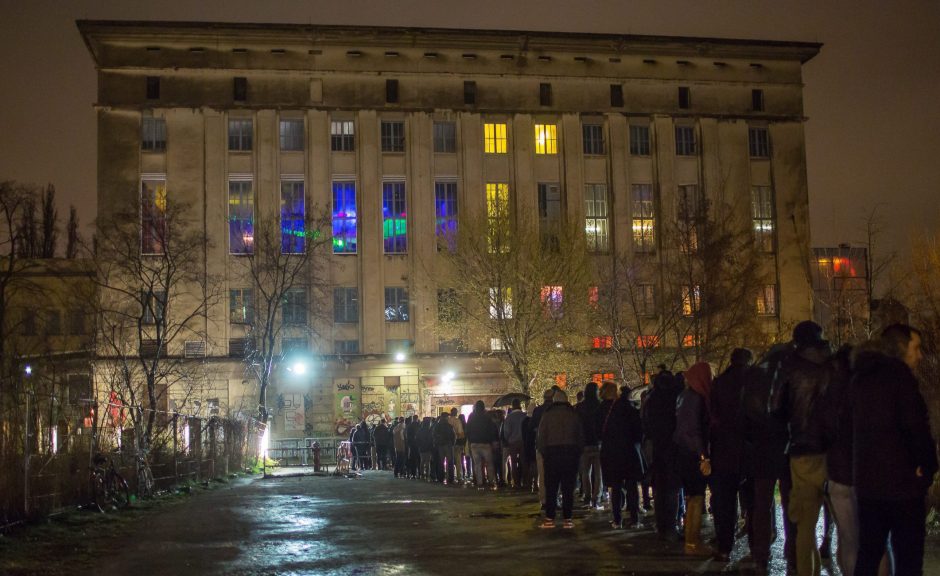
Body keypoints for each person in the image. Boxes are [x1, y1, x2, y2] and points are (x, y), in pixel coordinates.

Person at [853, 324, 937, 576]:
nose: (919, 355)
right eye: (916, 348)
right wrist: (929, 466)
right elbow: (916, 429)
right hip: (903, 486)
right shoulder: (901, 380)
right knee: (908, 558)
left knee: (868, 553)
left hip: (868, 484)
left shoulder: (860, 378)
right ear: (902, 348)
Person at [769, 320, 832, 576]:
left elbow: (774, 408)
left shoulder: (788, 367)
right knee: (846, 523)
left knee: (805, 525)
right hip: (834, 453)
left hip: (802, 451)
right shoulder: (834, 364)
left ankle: (808, 572)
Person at [742, 344, 793, 574]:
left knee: (762, 504)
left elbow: (745, 417)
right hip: (785, 447)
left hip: (762, 449)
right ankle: (791, 551)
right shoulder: (790, 374)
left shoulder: (755, 377)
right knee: (790, 503)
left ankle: (761, 552)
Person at [709, 348, 753, 561]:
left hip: (724, 449)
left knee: (724, 503)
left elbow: (713, 417)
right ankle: (757, 549)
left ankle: (724, 546)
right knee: (754, 502)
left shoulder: (719, 383)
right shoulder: (755, 382)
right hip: (750, 450)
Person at [673, 362, 712, 556]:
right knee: (696, 498)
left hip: (682, 452)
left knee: (691, 498)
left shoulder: (682, 397)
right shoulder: (696, 398)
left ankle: (690, 541)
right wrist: (703, 456)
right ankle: (692, 543)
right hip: (693, 454)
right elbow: (694, 430)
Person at [643, 364, 684, 540]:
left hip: (657, 448)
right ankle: (672, 526)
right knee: (673, 489)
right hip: (673, 447)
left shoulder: (651, 400)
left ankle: (662, 525)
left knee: (660, 488)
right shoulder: (677, 398)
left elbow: (645, 423)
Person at [599, 380, 645, 529]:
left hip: (611, 452)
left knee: (616, 487)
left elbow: (598, 432)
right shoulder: (629, 407)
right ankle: (634, 519)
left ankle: (617, 520)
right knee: (632, 486)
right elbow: (639, 430)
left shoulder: (602, 410)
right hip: (629, 451)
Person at [537, 388, 585, 529]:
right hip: (570, 453)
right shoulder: (573, 414)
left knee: (551, 487)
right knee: (568, 488)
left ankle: (549, 519)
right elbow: (580, 436)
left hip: (552, 453)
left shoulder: (547, 415)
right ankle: (567, 519)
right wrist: (577, 452)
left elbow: (541, 437)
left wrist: (544, 453)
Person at [576, 381, 603, 509]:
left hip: (584, 443)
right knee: (598, 473)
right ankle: (596, 498)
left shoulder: (580, 407)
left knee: (585, 472)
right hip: (598, 442)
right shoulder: (600, 405)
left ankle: (587, 496)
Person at [530, 387, 558, 506]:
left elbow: (531, 426)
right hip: (555, 445)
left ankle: (544, 500)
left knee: (542, 474)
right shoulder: (556, 410)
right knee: (556, 474)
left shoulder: (537, 411)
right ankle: (555, 499)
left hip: (541, 445)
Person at [465, 400, 499, 489]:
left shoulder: (471, 417)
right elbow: (492, 430)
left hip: (474, 444)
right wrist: (493, 441)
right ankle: (491, 481)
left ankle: (480, 482)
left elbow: (467, 430)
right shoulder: (487, 417)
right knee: (489, 463)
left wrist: (469, 442)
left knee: (477, 464)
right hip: (486, 443)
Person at [501, 399, 527, 488]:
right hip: (523, 442)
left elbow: (506, 431)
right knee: (524, 462)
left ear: (512, 406)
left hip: (513, 442)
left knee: (513, 462)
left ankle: (516, 482)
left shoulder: (509, 417)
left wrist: (508, 439)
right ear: (519, 405)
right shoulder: (525, 415)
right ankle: (525, 481)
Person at [433, 412, 457, 484]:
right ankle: (450, 478)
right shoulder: (449, 426)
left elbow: (434, 435)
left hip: (440, 446)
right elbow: (454, 436)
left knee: (441, 462)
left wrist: (437, 443)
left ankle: (440, 477)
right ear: (446, 417)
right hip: (448, 445)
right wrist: (452, 443)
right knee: (450, 462)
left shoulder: (437, 426)